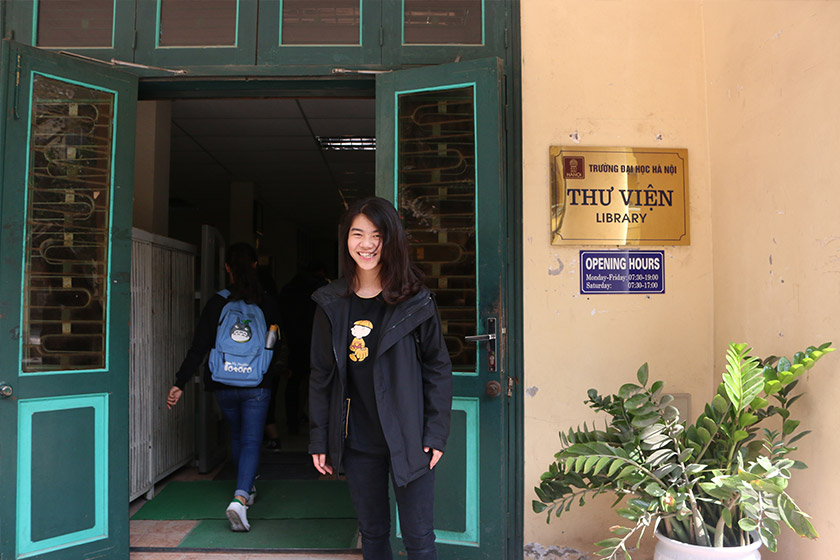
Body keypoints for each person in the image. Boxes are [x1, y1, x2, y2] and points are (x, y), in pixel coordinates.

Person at [309, 197, 453, 560]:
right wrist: (319, 436)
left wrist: (435, 432)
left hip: (410, 437)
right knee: (372, 535)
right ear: (346, 240)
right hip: (359, 442)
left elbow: (437, 367)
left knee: (420, 540)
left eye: (377, 234)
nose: (367, 244)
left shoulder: (415, 300)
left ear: (391, 239)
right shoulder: (331, 303)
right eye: (358, 234)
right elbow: (321, 374)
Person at [167, 242, 281, 532]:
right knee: (252, 440)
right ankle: (240, 498)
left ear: (227, 268)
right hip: (257, 382)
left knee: (238, 435)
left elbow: (199, 346)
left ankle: (246, 487)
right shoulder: (267, 302)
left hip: (223, 381)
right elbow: (275, 344)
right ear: (256, 265)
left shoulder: (217, 303)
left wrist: (180, 382)